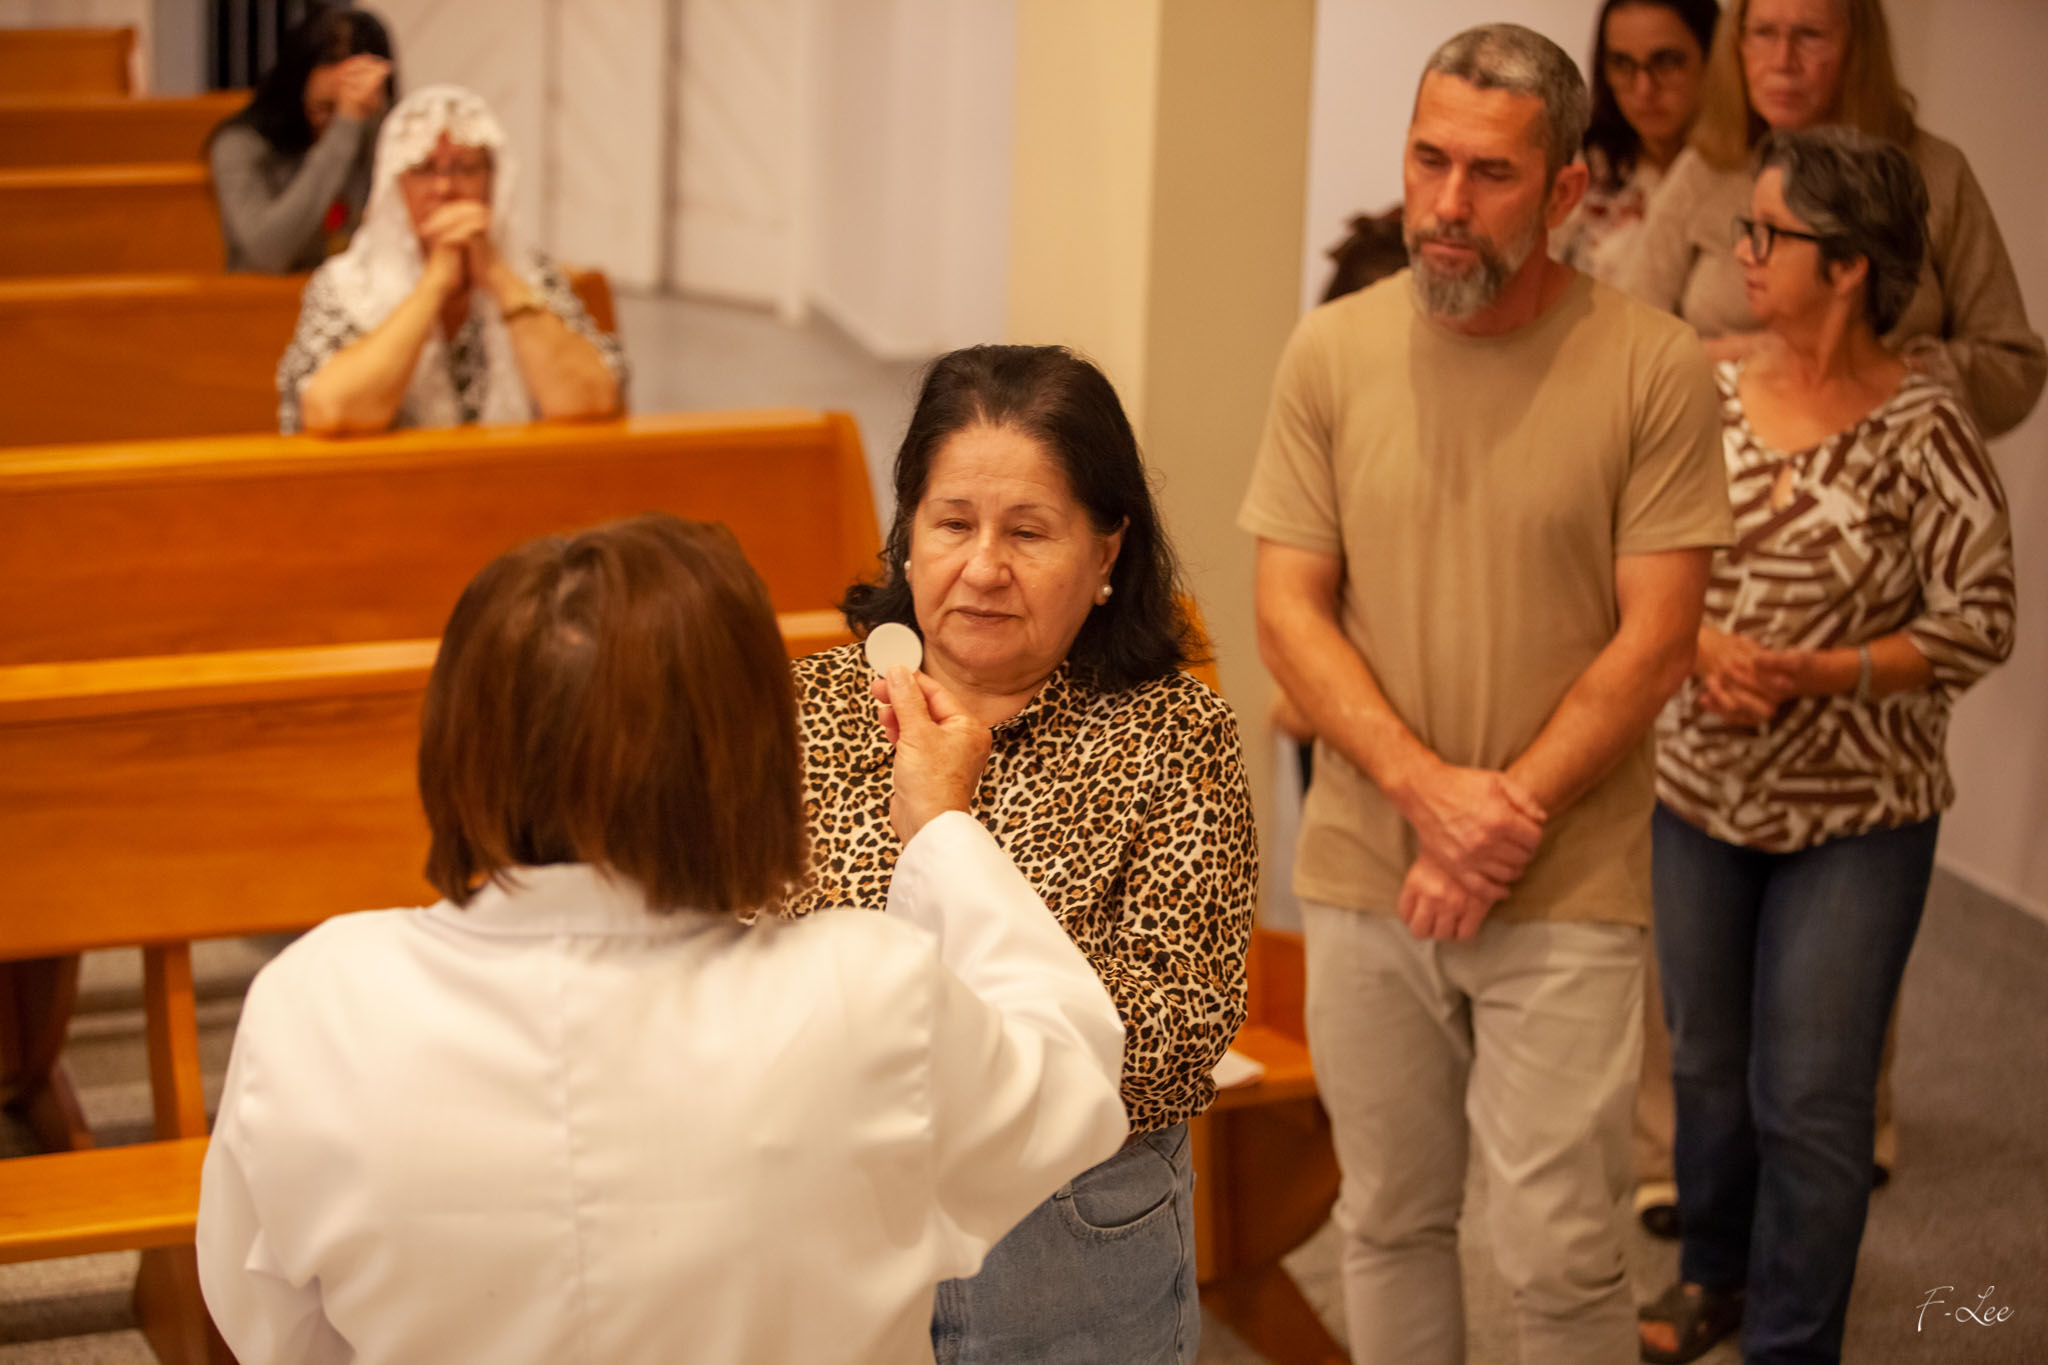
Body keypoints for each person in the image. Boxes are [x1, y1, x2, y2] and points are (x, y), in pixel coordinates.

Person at [194, 513, 1131, 1365]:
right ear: (751, 754)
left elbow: (272, 1324)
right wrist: (943, 830)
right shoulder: (867, 992)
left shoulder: (317, 999)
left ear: (458, 739)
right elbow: (1075, 1075)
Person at [1240, 25, 1732, 1365]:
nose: (1446, 204)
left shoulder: (1651, 366)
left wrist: (1496, 818)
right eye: (1429, 161)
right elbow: (1288, 612)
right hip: (1366, 865)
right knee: (1388, 1219)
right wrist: (1428, 798)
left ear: (1564, 188)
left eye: (1491, 174)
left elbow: (1657, 640)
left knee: (1561, 1249)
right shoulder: (1329, 353)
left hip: (1563, 877)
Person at [791, 344, 1257, 1364]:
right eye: (953, 523)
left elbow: (1178, 1034)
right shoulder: (805, 712)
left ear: (1107, 552)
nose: (983, 567)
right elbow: (723, 951)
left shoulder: (1173, 733)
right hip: (837, 1227)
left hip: (1070, 1241)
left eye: (1029, 531)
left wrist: (943, 827)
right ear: (906, 535)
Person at [1637, 127, 2015, 1365]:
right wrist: (1703, 649)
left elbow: (1980, 616)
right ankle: (1714, 1275)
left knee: (1808, 1092)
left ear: (1846, 266)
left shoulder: (1924, 422)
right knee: (1706, 1066)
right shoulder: (1703, 392)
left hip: (1858, 816)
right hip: (1699, 792)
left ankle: (1792, 1340)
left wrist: (1820, 671)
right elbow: (1627, 560)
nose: (1740, 252)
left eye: (1766, 234)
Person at [1621, 0, 2045, 437]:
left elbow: (2014, 369)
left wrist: (1884, 375)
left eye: (1810, 35)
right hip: (1717, 447)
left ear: (1858, 47)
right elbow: (1624, 347)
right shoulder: (1705, 168)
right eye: (1764, 33)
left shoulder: (1934, 172)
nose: (1782, 61)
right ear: (1737, 44)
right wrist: (1754, 356)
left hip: (1885, 450)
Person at [276, 84, 625, 435]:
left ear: (493, 182)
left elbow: (591, 400)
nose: (444, 189)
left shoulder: (533, 274)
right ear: (395, 185)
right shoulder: (348, 284)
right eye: (424, 169)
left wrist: (498, 275)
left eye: (465, 169)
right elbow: (333, 412)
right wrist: (433, 285)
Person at [208, 5, 395, 273]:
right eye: (323, 108)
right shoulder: (239, 144)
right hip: (268, 297)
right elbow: (268, 253)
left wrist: (382, 126)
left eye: (356, 105)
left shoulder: (382, 131)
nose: (334, 122)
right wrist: (345, 126)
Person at [1552, 0, 1719, 285]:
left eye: (1667, 62)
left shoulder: (1747, 179)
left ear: (1714, 58)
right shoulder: (1586, 168)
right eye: (1622, 64)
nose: (1644, 89)